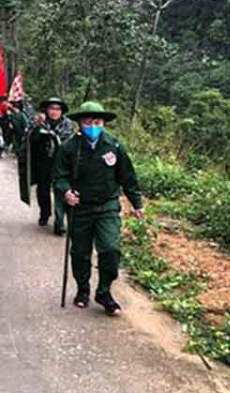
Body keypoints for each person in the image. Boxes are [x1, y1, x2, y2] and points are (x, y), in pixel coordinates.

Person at [53, 102, 144, 316]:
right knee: (80, 253)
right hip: (80, 208)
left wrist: (136, 203)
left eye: (97, 122)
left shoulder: (114, 146)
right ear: (79, 124)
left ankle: (104, 292)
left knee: (110, 250)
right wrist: (66, 191)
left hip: (107, 207)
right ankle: (83, 290)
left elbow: (127, 177)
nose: (92, 126)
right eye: (87, 122)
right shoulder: (69, 147)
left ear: (103, 124)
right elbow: (58, 176)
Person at [28, 98, 75, 234]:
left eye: (57, 109)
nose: (54, 112)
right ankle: (45, 213)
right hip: (43, 162)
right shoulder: (39, 123)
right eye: (51, 108)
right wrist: (38, 127)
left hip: (62, 164)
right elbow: (30, 140)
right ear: (46, 110)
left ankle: (59, 222)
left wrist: (53, 137)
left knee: (61, 191)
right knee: (42, 190)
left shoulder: (67, 125)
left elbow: (69, 143)